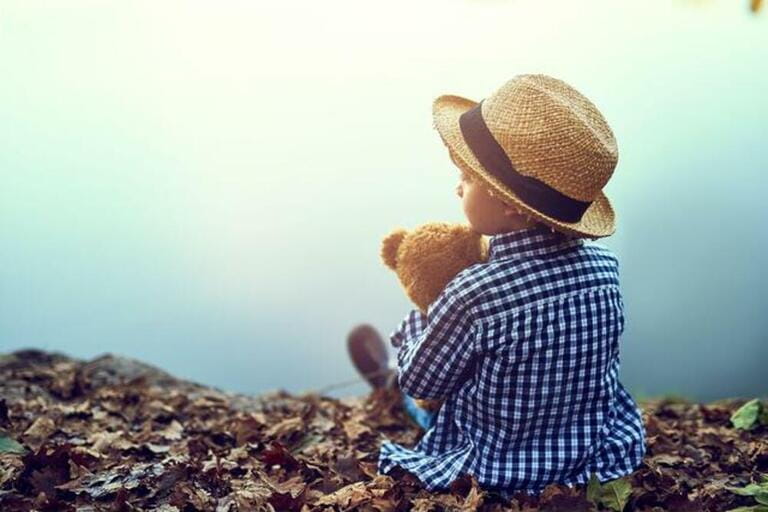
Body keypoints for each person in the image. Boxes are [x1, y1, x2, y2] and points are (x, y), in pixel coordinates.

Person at [347, 74, 646, 499]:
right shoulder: (606, 270)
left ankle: (387, 383)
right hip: (591, 451)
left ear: (508, 204)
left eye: (466, 179)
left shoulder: (473, 292)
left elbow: (425, 382)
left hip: (502, 461)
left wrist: (424, 322)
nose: (457, 187)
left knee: (420, 393)